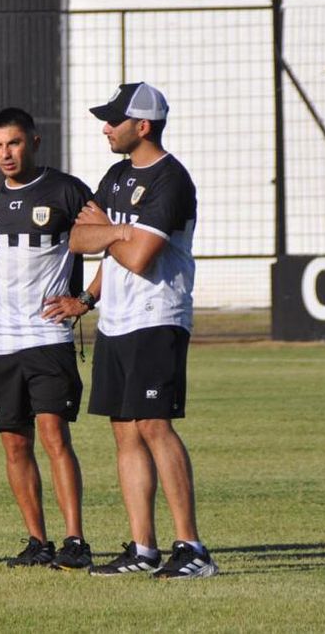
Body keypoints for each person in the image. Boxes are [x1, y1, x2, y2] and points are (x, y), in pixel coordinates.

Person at [69, 82, 219, 579]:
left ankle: (193, 550)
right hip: (115, 320)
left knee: (154, 425)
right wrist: (90, 294)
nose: (105, 128)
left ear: (144, 126)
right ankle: (143, 550)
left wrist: (108, 231)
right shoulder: (115, 176)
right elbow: (77, 237)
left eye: (114, 120)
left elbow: (137, 257)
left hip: (157, 317)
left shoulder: (170, 181)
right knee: (124, 431)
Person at [0, 108, 99, 570]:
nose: (5, 154)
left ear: (33, 141)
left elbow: (117, 242)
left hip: (47, 335)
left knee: (54, 436)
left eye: (13, 144)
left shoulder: (66, 190)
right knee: (14, 444)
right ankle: (38, 541)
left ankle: (75, 541)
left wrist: (85, 300)